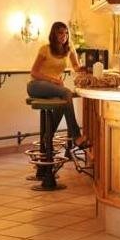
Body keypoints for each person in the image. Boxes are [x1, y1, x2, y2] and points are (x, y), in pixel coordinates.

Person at [27, 21, 88, 149]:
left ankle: (47, 137)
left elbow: (76, 67)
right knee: (66, 92)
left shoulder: (69, 49)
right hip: (36, 85)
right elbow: (34, 72)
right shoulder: (45, 49)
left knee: (63, 102)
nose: (64, 36)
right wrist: (53, 80)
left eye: (66, 33)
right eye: (60, 33)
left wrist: (86, 68)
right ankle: (76, 136)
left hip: (53, 88)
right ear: (54, 34)